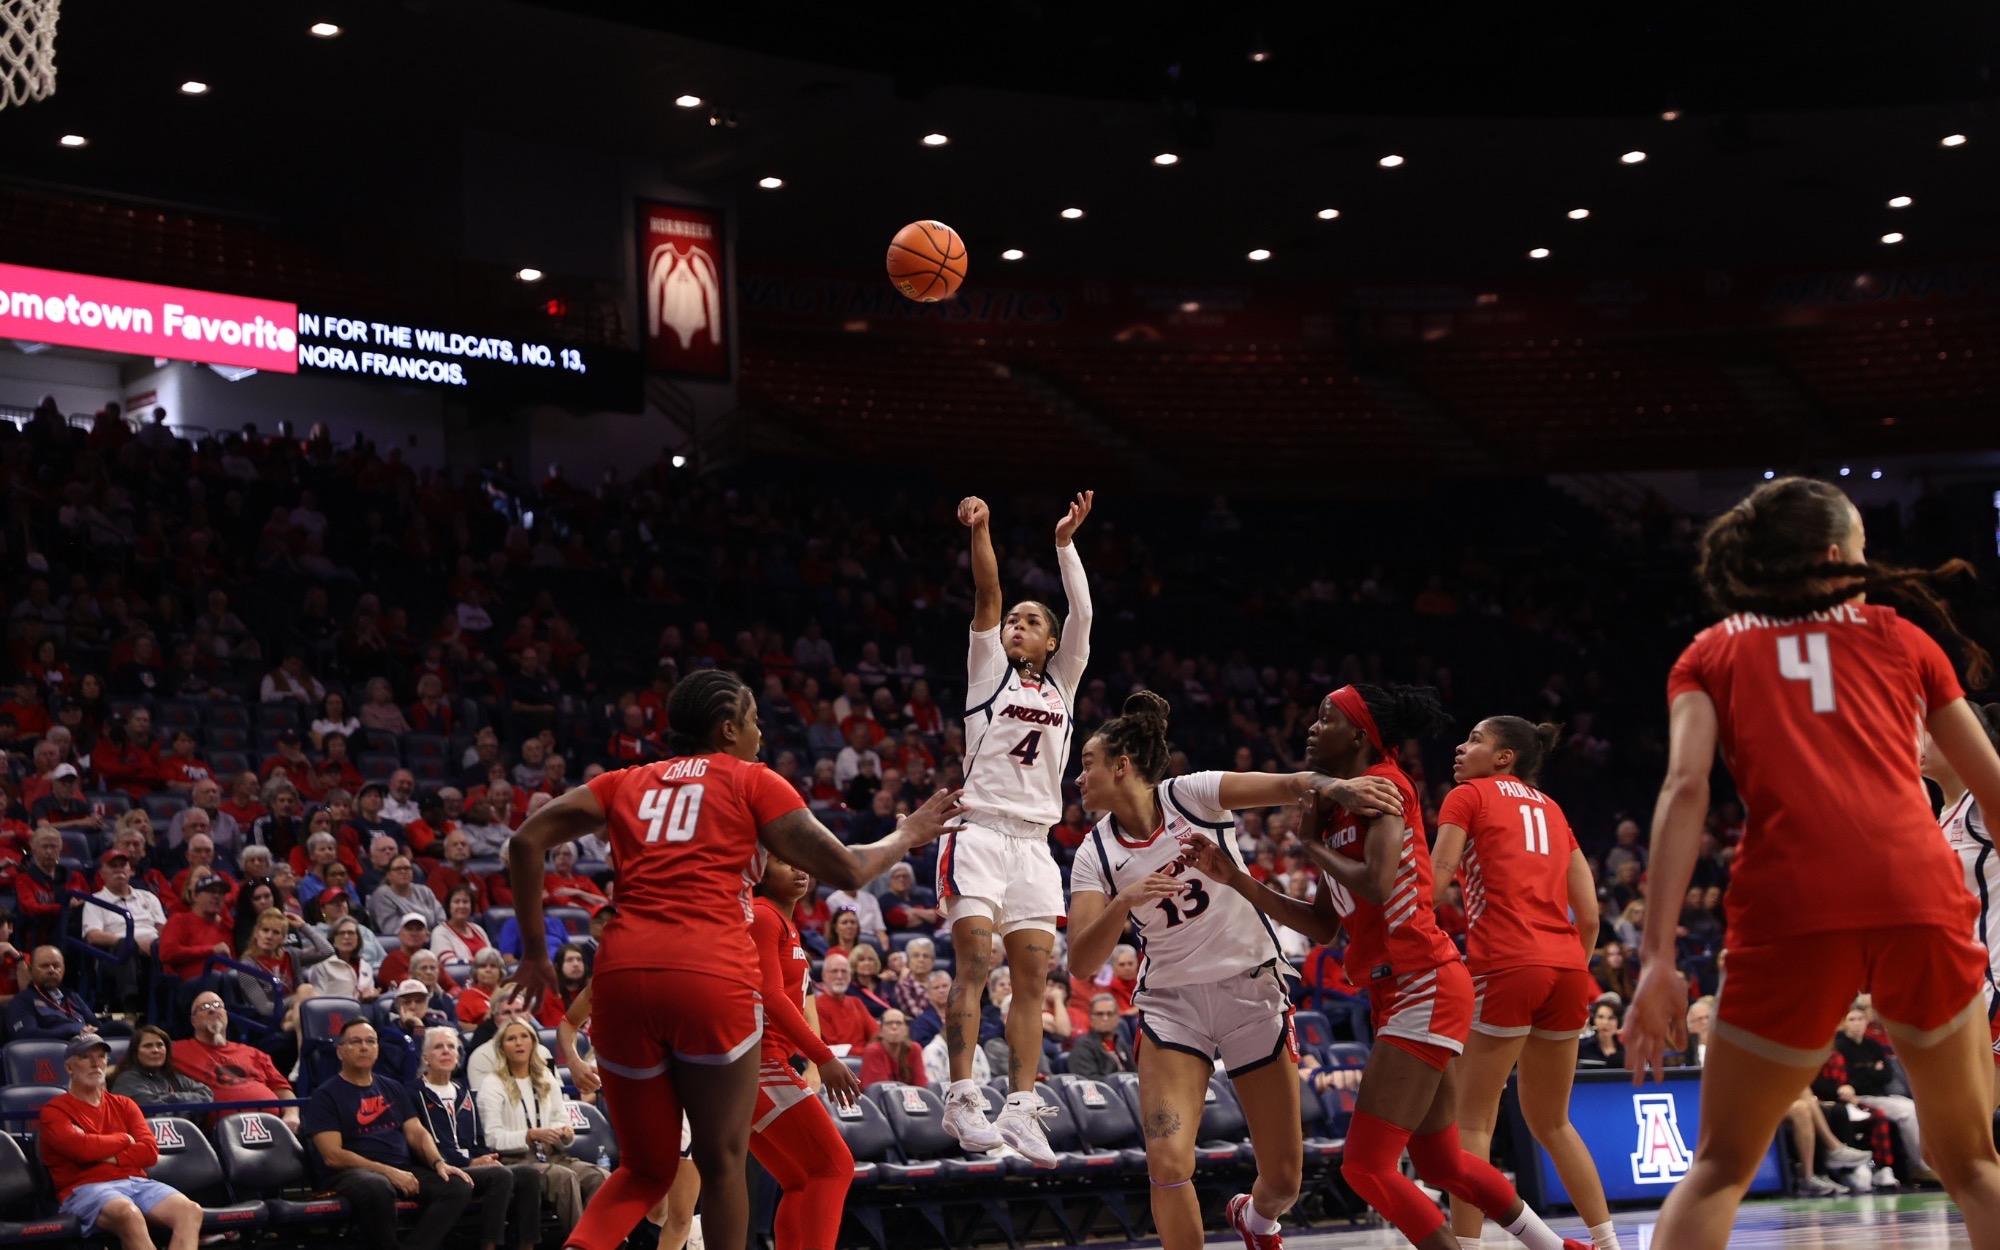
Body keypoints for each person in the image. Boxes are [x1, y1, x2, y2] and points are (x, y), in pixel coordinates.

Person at [1621, 476, 2000, 1249]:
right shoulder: (1903, 637)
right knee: (1974, 1167)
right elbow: (1994, 785)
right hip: (1918, 896)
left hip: (1792, 905)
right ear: (1834, 557)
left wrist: (1657, 957)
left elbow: (1685, 788)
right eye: (1862, 544)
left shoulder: (1712, 651)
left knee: (1722, 1165)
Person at [504, 667, 964, 1250]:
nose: (761, 733)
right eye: (753, 721)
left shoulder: (624, 781)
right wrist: (908, 835)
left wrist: (537, 952)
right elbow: (848, 869)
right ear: (727, 730)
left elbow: (524, 840)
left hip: (620, 975)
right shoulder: (752, 780)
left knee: (644, 1171)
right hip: (708, 973)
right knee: (722, 1162)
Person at [1196, 684, 1590, 1250]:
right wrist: (1236, 879)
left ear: (1359, 735)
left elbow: (1380, 884)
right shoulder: (1336, 812)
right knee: (1441, 1160)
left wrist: (1308, 845)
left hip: (1421, 979)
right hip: (1402, 988)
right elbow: (1324, 926)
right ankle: (1558, 1248)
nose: (1311, 727)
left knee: (1366, 1168)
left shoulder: (1386, 785)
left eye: (1325, 718)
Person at [1075, 690, 1399, 1246]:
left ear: (1122, 766)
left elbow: (1288, 783)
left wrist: (1337, 786)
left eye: (1087, 765)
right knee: (1168, 1161)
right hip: (1172, 1006)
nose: (1078, 779)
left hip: (1250, 989)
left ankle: (1256, 1217)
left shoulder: (1192, 795)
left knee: (1284, 1179)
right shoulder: (1094, 852)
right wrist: (1122, 902)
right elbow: (1082, 960)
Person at [936, 491, 1095, 1160]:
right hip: (978, 833)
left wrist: (1064, 545)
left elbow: (1082, 612)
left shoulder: (1063, 683)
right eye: (1016, 622)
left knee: (1034, 982)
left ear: (1054, 641)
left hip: (1034, 845)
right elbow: (989, 592)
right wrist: (984, 528)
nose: (1019, 626)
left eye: (1034, 621)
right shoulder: (987, 674)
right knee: (974, 964)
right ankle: (963, 1099)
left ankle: (1023, 1107)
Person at [1429, 717, 1620, 1250]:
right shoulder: (1554, 810)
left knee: (1471, 1124)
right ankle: (1608, 1244)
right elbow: (1590, 915)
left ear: (1504, 756)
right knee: (1553, 1121)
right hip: (1566, 970)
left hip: (1507, 963)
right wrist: (1568, 967)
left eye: (1474, 740)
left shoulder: (1467, 796)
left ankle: (1467, 1246)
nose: (1461, 748)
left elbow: (1438, 876)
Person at [745, 852, 861, 1248]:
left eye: (801, 861)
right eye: (783, 862)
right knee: (835, 1166)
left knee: (798, 1178)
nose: (799, 868)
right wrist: (824, 1057)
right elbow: (772, 997)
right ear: (760, 871)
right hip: (757, 1063)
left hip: (759, 1066)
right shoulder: (761, 915)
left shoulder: (784, 923)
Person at [302, 1018, 475, 1250]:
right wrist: (388, 1172)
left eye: (371, 1041)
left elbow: (416, 1132)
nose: (365, 1046)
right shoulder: (325, 1095)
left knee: (455, 1186)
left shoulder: (392, 1087)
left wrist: (438, 1162)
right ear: (340, 1052)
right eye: (356, 1041)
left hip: (400, 1168)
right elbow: (333, 1155)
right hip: (351, 1174)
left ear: (377, 1049)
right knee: (377, 1186)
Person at [558, 985, 703, 1250]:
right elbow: (568, 1023)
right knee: (661, 1210)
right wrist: (574, 1061)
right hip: (643, 1100)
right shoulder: (606, 981)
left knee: (671, 1214)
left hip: (679, 1096)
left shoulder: (676, 982)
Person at [38, 1033, 204, 1250]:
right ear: (70, 1068)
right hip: (83, 1188)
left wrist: (100, 1151)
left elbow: (149, 1152)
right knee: (129, 1213)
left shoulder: (125, 1104)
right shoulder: (55, 1111)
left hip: (135, 1182)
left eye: (100, 1057)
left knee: (191, 1211)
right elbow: (81, 1151)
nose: (96, 1063)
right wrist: (124, 1139)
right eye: (86, 1057)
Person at [1924, 700, 2000, 1107]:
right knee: (1952, 1147)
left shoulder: (1985, 802)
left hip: (1996, 986)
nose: (1914, 741)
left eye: (1926, 731)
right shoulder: (1944, 817)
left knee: (1973, 1141)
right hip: (1967, 992)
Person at [407, 1025, 541, 1250]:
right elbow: (417, 1144)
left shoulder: (463, 1091)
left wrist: (484, 1158)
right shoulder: (412, 1091)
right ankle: (488, 1246)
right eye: (439, 1047)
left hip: (472, 1168)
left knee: (528, 1174)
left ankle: (526, 1246)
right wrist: (469, 1162)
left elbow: (478, 1141)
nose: (446, 1051)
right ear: (425, 1058)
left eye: (451, 1047)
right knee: (499, 1176)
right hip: (436, 1169)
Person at [477, 1018, 604, 1238]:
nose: (519, 1043)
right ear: (502, 1047)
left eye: (524, 1037)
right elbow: (492, 1138)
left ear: (534, 1043)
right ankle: (581, 1242)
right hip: (516, 1160)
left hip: (552, 1155)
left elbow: (561, 1118)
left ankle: (606, 1239)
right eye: (511, 1038)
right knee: (565, 1178)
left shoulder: (546, 1077)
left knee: (600, 1176)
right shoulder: (492, 1084)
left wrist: (565, 1133)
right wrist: (530, 1135)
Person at [174, 990, 300, 1129]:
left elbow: (282, 1089)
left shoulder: (254, 1053)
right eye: (203, 1007)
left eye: (217, 1005)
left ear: (226, 1015)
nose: (212, 1009)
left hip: (271, 1127)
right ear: (193, 1021)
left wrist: (291, 1114)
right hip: (221, 1134)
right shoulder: (177, 1051)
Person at [6, 945, 128, 1039]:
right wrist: (74, 1032)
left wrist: (90, 1032)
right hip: (56, 1054)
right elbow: (25, 1034)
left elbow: (96, 1024)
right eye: (44, 966)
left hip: (89, 1048)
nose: (51, 970)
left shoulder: (72, 996)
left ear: (63, 969)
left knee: (122, 1029)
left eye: (56, 966)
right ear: (31, 970)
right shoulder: (22, 1001)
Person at [110, 1024, 213, 1104]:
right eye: (148, 1046)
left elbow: (206, 1094)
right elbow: (154, 1107)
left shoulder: (172, 1077)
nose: (155, 1050)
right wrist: (187, 1099)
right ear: (135, 1052)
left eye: (160, 1045)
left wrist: (166, 1097)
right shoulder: (127, 1080)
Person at [812, 952, 878, 1049]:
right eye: (834, 971)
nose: (839, 976)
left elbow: (876, 1034)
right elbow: (835, 1048)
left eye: (844, 971)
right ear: (824, 975)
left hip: (864, 1059)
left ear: (850, 976)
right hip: (838, 1061)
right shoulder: (816, 1005)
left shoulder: (856, 1002)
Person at [370, 854, 448, 935]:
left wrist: (438, 934)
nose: (403, 871)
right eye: (398, 869)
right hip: (400, 941)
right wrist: (422, 934)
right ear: (388, 875)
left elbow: (441, 917)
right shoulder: (382, 895)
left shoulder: (424, 891)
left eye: (407, 868)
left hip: (432, 937)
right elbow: (391, 928)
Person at [1065, 993, 1135, 1080]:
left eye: (1110, 1014)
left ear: (1117, 1018)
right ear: (1091, 1018)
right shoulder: (1081, 1048)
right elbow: (1090, 1082)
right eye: (1099, 1014)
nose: (1105, 1018)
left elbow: (1136, 1074)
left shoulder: (1122, 1044)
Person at [432, 885, 493, 964]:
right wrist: (481, 965)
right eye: (456, 902)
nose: (461, 906)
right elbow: (449, 963)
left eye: (465, 902)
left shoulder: (478, 929)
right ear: (448, 906)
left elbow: (493, 957)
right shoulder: (439, 932)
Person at [1577, 1002, 1627, 1070]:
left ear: (1618, 1021)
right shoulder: (1581, 1047)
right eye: (1600, 1017)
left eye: (1611, 1018)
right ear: (1594, 1020)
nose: (1605, 1022)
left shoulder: (1624, 1051)